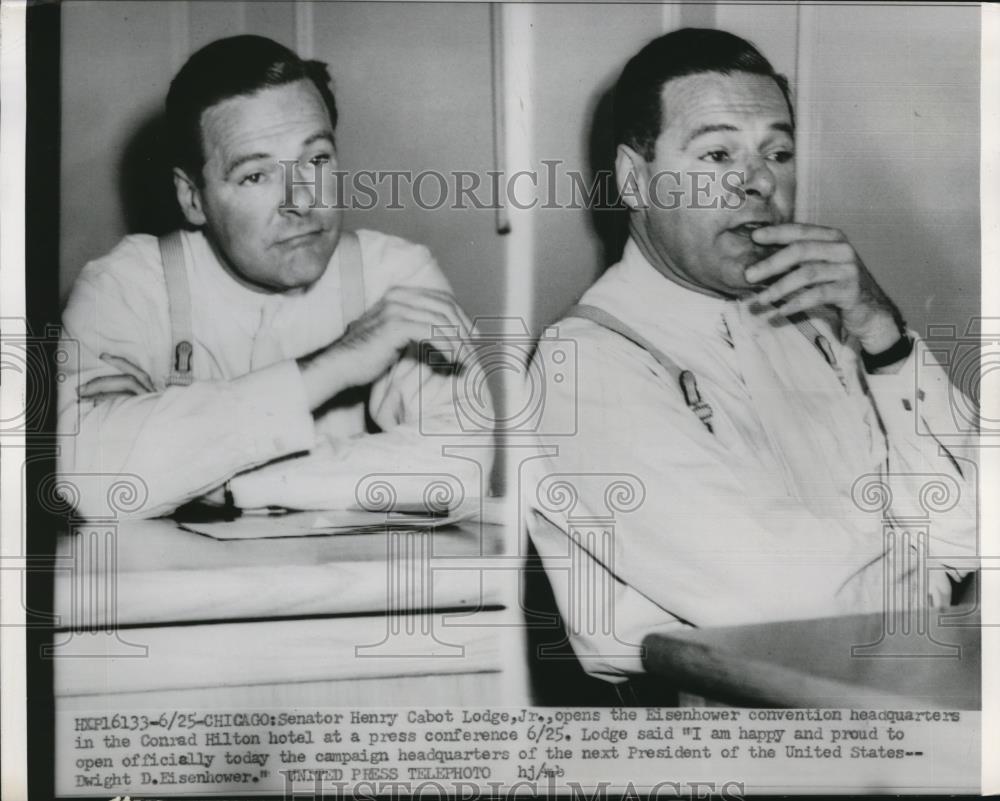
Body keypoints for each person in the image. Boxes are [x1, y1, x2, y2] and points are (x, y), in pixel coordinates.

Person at [526, 28, 977, 683]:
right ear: (634, 179)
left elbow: (982, 519)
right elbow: (789, 607)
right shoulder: (585, 365)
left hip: (902, 712)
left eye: (778, 150)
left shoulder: (819, 322)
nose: (756, 180)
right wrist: (920, 544)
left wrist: (885, 337)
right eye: (715, 154)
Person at [57, 35, 490, 520]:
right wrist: (335, 364)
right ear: (192, 197)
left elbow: (461, 467)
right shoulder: (127, 286)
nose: (301, 201)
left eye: (317, 160)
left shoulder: (396, 276)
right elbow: (85, 482)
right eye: (256, 176)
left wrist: (226, 482)